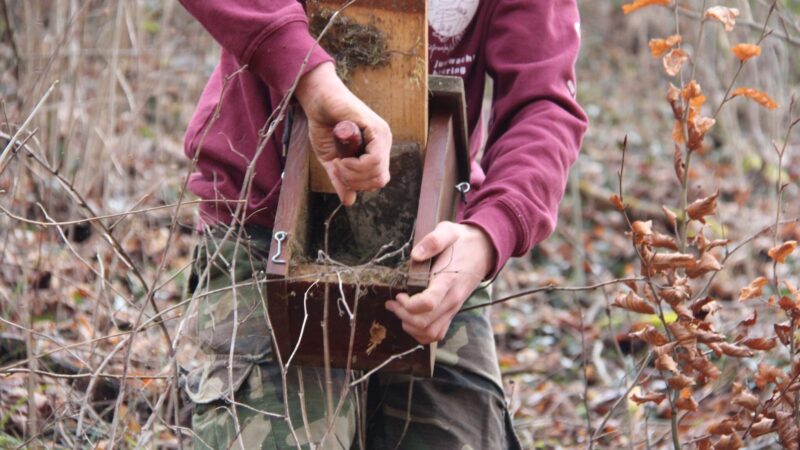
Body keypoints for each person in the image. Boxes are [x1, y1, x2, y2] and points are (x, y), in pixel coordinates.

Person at [177, 0, 587, 448]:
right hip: (261, 221)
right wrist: (308, 76)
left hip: (435, 251)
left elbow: (543, 102)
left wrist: (487, 236)